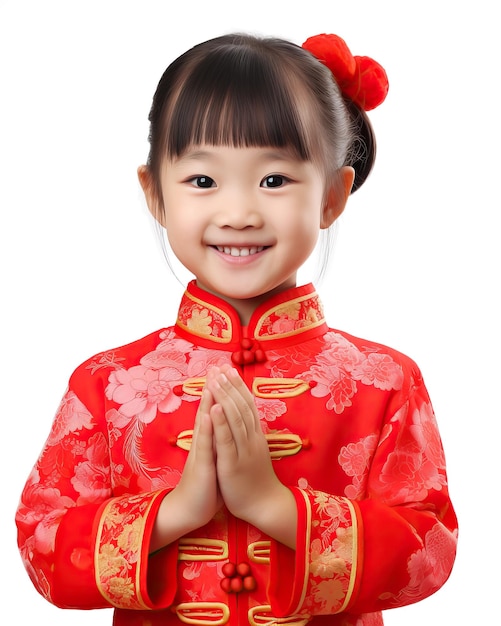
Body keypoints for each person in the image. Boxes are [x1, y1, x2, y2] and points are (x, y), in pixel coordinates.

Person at [15, 32, 458, 626]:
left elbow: (430, 549)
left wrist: (277, 508)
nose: (240, 212)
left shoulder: (383, 381)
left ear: (333, 195)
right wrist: (174, 512)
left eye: (274, 180)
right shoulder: (105, 382)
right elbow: (41, 546)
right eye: (203, 181)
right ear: (155, 194)